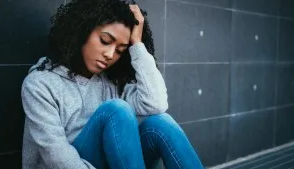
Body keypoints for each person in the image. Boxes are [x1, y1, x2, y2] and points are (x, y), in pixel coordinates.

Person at [21, 0, 204, 168]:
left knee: (160, 123)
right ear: (82, 32)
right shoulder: (40, 84)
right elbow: (56, 155)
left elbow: (156, 103)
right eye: (105, 41)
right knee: (116, 110)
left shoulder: (110, 83)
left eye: (119, 50)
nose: (110, 54)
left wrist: (137, 45)